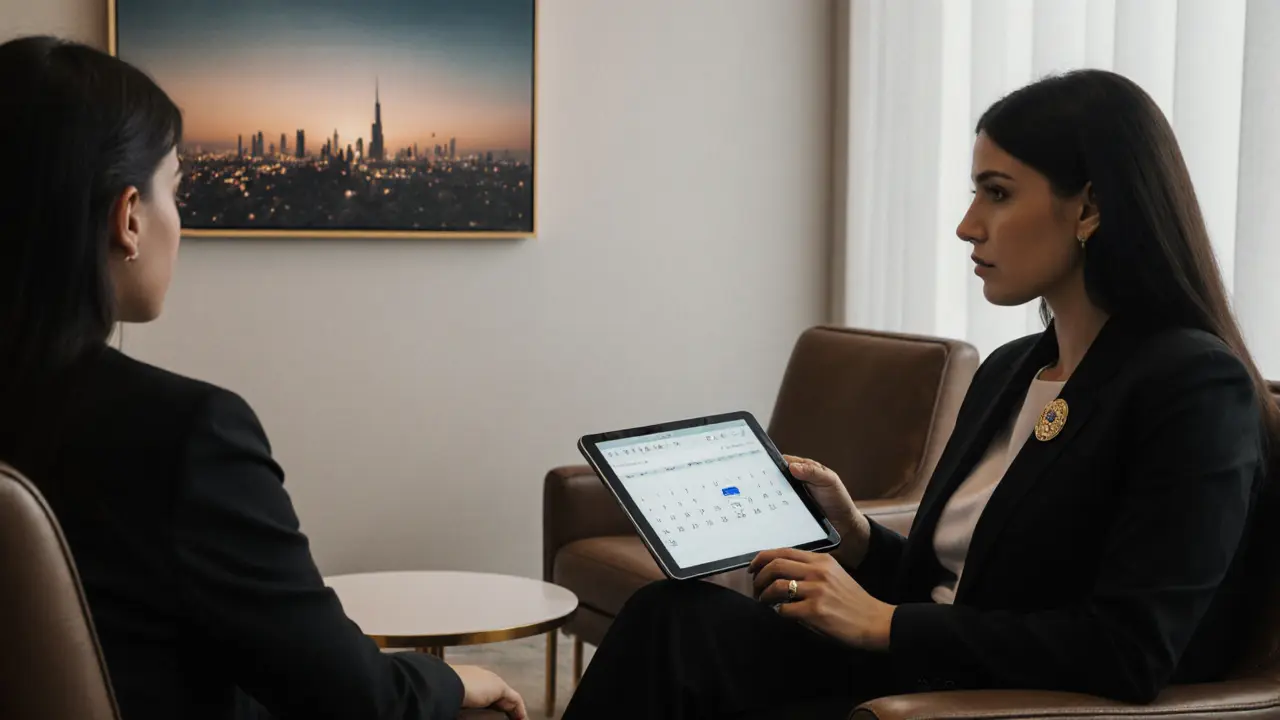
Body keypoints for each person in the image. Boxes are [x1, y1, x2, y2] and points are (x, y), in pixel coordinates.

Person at [562, 69, 1277, 719]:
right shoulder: (1011, 370)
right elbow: (962, 579)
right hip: (925, 667)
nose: (968, 226)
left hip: (998, 702)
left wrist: (884, 623)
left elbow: (1132, 647)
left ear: (1089, 208)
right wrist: (860, 539)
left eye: (997, 193)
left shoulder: (1192, 384)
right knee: (675, 615)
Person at [0, 36, 526, 720]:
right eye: (177, 191)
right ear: (128, 218)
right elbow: (357, 702)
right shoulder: (183, 436)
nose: (178, 222)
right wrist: (457, 682)